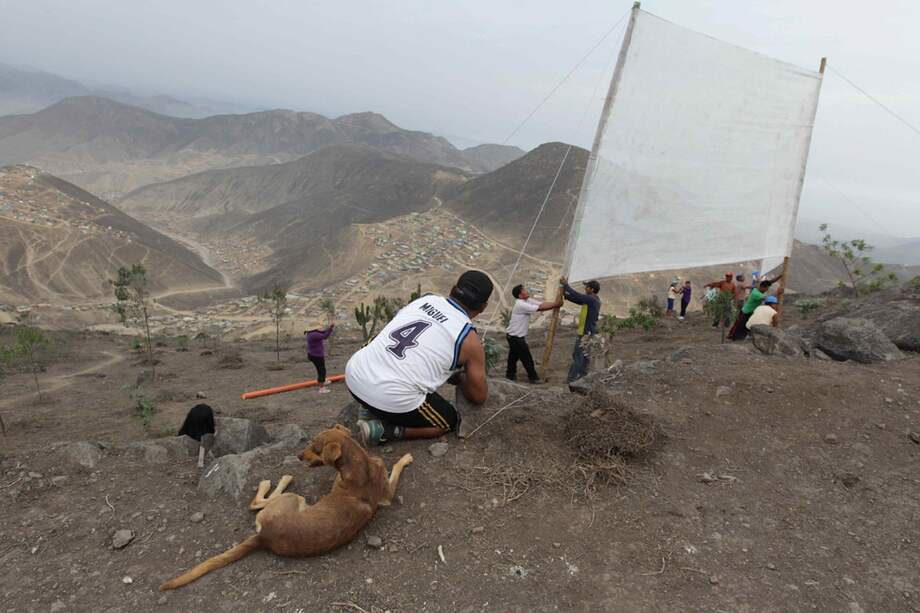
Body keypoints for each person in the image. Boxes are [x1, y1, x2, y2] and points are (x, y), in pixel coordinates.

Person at [345, 270, 492, 446]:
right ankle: (387, 431)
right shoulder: (470, 341)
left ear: (453, 289)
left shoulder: (424, 300)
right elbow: (479, 396)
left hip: (354, 375)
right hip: (390, 397)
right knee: (447, 420)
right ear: (483, 307)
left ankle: (369, 408)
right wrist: (460, 378)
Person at [506, 284, 562, 383]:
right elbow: (540, 308)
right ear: (520, 295)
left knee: (513, 357)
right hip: (515, 337)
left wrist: (555, 303)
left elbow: (542, 304)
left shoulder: (527, 300)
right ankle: (533, 378)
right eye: (524, 290)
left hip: (513, 336)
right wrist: (556, 304)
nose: (526, 291)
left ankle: (510, 375)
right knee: (526, 358)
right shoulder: (521, 304)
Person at [560, 277, 601, 383]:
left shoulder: (591, 299)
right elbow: (578, 300)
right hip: (588, 332)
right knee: (585, 355)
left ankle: (571, 379)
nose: (585, 288)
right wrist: (566, 295)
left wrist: (565, 285)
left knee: (578, 355)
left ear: (591, 289)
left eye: (586, 287)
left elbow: (578, 296)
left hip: (585, 333)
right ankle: (583, 376)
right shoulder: (592, 300)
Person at [305, 321, 335, 394]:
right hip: (316, 356)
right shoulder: (314, 335)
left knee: (321, 369)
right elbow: (325, 336)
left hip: (314, 355)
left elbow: (323, 332)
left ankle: (323, 380)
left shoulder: (311, 333)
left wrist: (328, 328)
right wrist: (330, 328)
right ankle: (322, 388)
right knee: (321, 371)